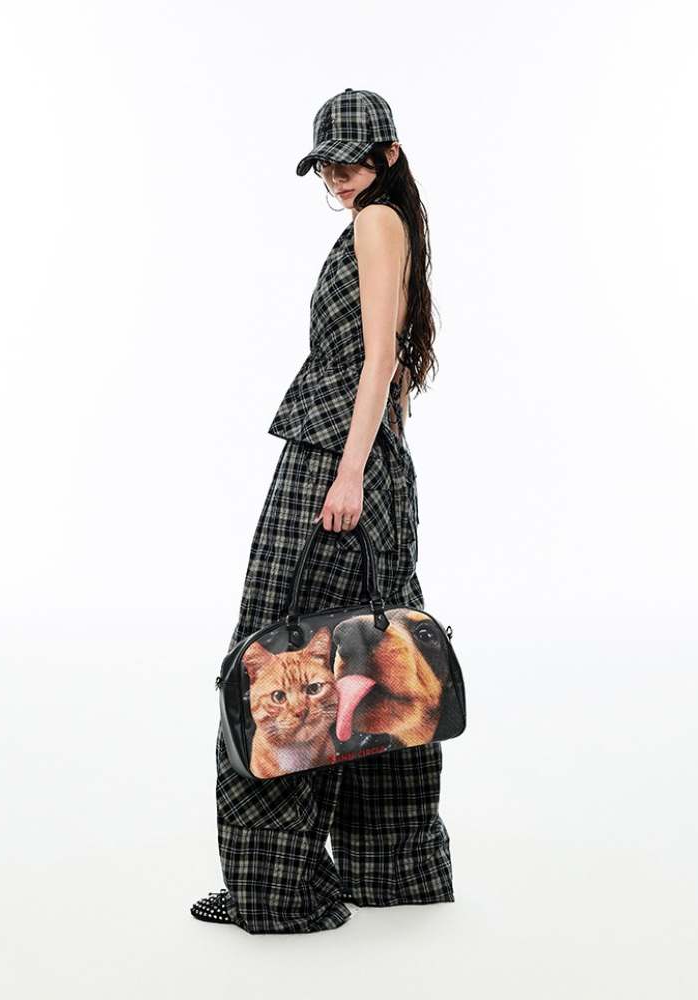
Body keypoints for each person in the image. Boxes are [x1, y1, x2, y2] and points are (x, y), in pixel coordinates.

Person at [190, 88, 454, 933]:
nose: (337, 179)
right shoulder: (391, 221)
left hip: (333, 461)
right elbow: (392, 369)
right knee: (376, 654)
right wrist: (380, 467)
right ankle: (390, 871)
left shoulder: (377, 221)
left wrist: (347, 474)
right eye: (327, 167)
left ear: (389, 155)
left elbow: (377, 360)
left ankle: (276, 889)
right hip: (371, 462)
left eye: (350, 163)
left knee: (274, 652)